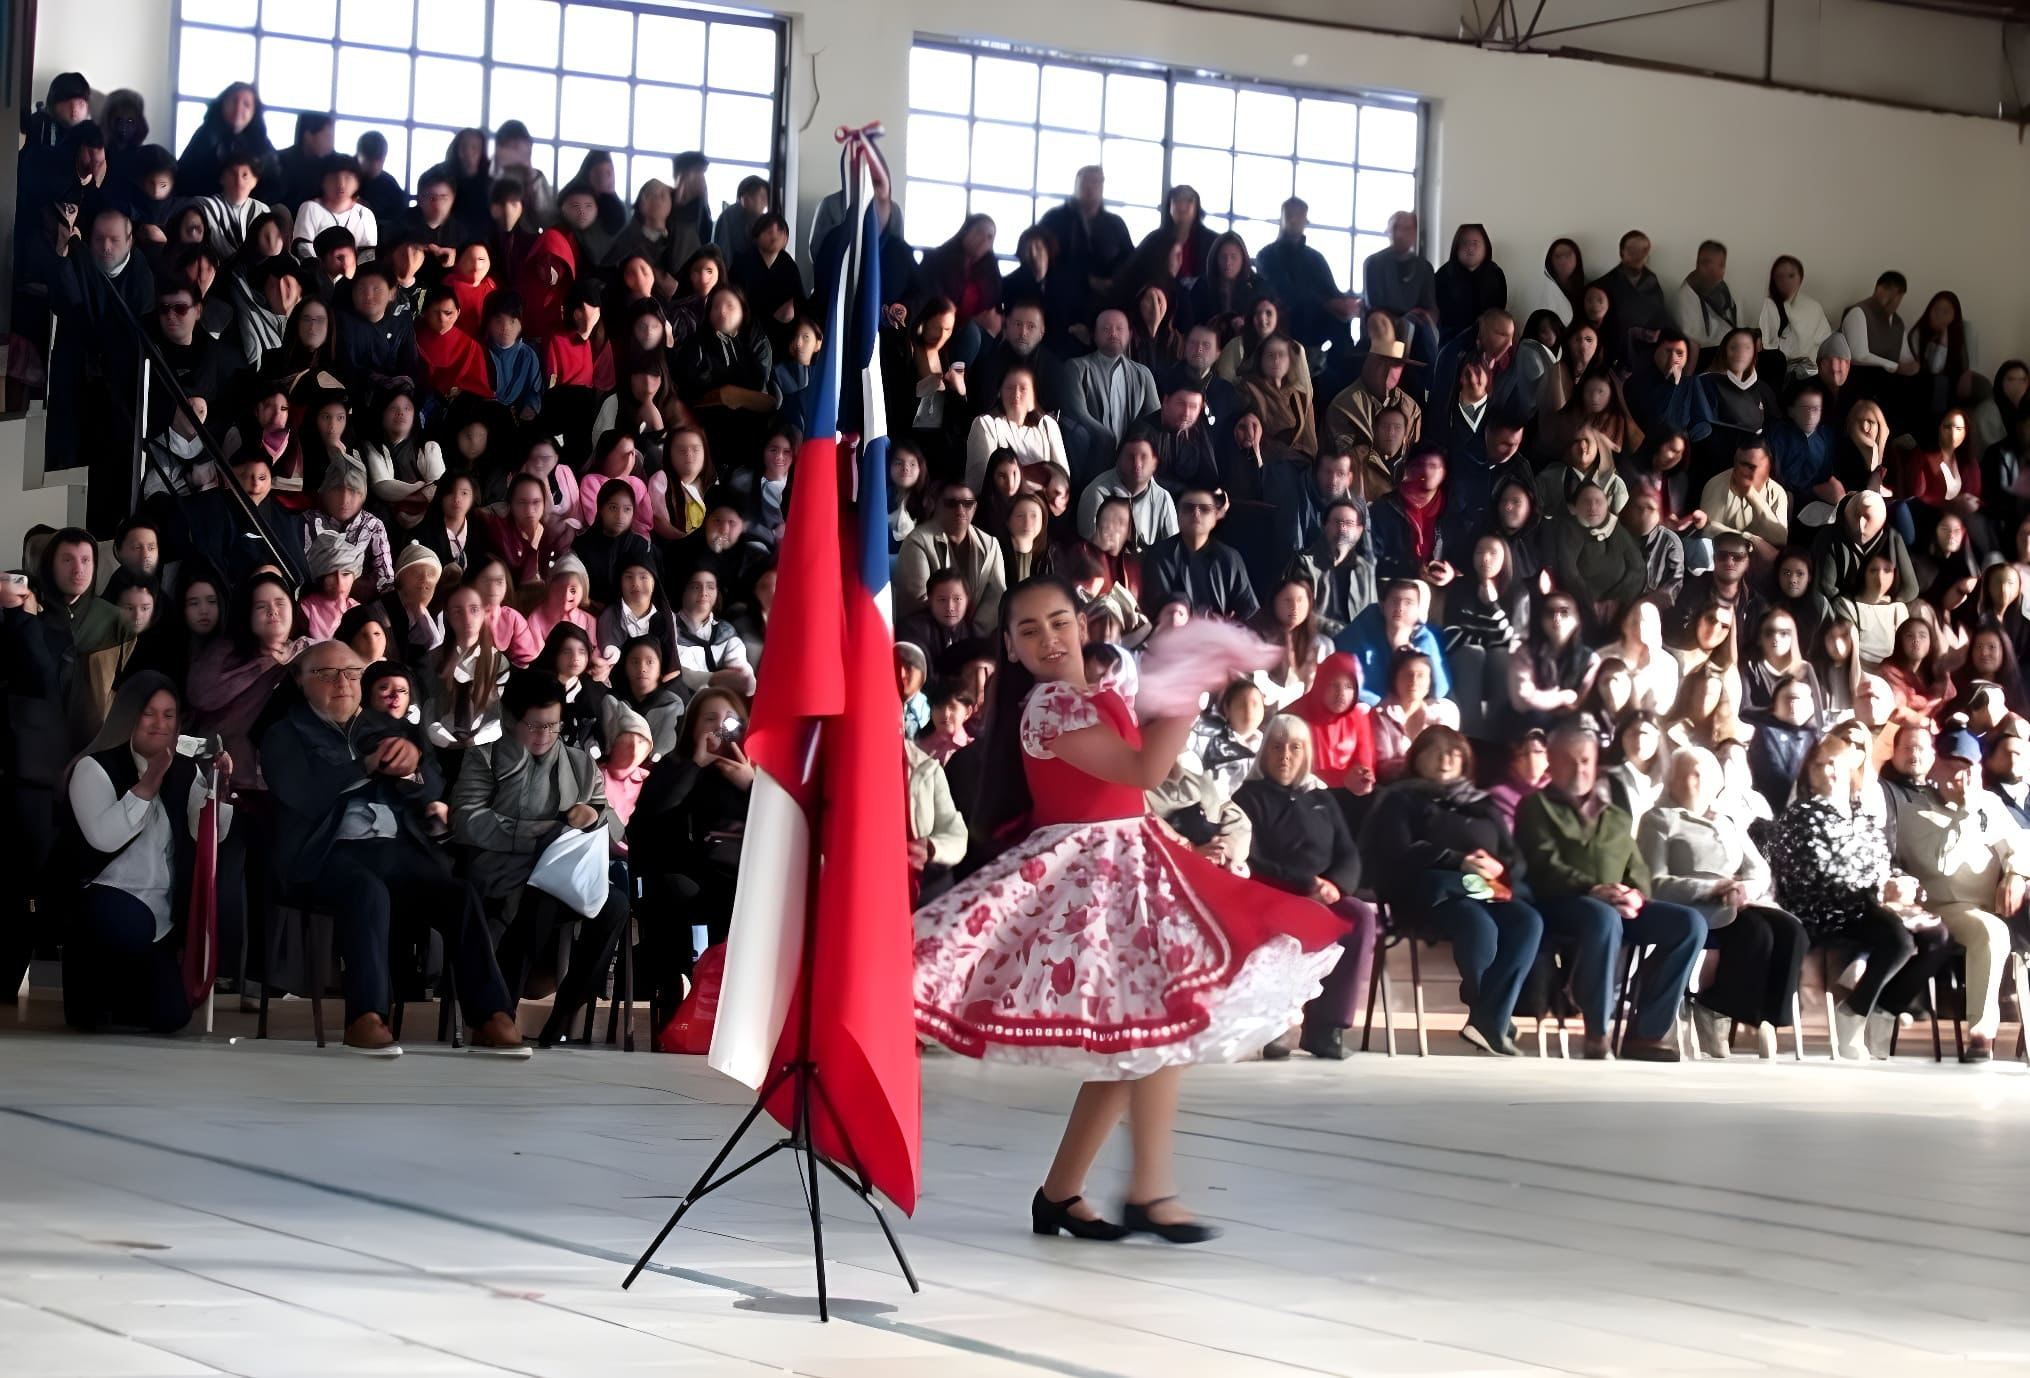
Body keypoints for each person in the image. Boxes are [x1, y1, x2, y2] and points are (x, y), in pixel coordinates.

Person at [913, 576, 1347, 1243]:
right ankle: (1143, 1191)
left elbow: (1146, 778)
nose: (1048, 638)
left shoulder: (1096, 695)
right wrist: (1190, 686)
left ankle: (1069, 1192)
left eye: (1059, 621)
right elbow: (1143, 771)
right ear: (1011, 647)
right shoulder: (1047, 707)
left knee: (1145, 1036)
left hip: (1132, 866)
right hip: (1094, 881)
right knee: (1154, 1030)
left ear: (1083, 625)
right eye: (1029, 630)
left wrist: (1181, 683)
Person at [261, 640, 525, 1055]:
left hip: (396, 850)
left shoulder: (389, 727)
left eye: (351, 673)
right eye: (326, 674)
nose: (342, 682)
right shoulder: (283, 734)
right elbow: (305, 794)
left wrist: (413, 770)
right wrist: (364, 766)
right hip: (325, 854)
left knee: (459, 895)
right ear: (300, 681)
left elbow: (433, 787)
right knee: (365, 889)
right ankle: (366, 1016)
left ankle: (492, 1015)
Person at [451, 669, 629, 1046]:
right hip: (505, 871)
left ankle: (564, 1014)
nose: (544, 735)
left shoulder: (580, 763)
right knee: (540, 899)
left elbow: (613, 824)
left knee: (615, 905)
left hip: (564, 873)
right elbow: (466, 820)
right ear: (510, 719)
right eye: (534, 725)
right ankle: (500, 1013)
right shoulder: (485, 758)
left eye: (553, 725)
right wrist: (538, 830)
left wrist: (594, 815)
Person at [1514, 719, 1708, 1061]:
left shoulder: (1615, 815)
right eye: (1569, 760)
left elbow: (1639, 870)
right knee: (1602, 917)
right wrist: (1594, 889)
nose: (1579, 768)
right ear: (1552, 762)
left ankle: (1646, 1032)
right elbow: (1544, 865)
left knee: (1689, 924)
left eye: (1585, 760)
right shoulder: (1535, 807)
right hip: (1560, 903)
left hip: (1616, 906)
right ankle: (1597, 1030)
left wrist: (1635, 895)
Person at [56, 674, 229, 1033]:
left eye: (168, 715)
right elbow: (103, 838)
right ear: (128, 716)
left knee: (173, 1017)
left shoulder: (186, 770)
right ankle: (93, 991)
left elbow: (207, 834)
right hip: (103, 899)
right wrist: (148, 784)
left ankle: (121, 1000)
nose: (159, 724)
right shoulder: (94, 767)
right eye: (149, 714)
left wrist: (219, 787)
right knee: (131, 924)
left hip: (158, 913)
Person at [1361, 727, 1545, 1055]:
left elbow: (1513, 857)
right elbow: (1395, 852)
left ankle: (1490, 1015)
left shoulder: (1482, 804)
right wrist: (1456, 860)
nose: (1445, 759)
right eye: (1435, 751)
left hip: (1483, 889)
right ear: (1417, 759)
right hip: (1427, 893)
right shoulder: (1399, 799)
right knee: (1478, 923)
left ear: (1465, 761)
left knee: (1528, 921)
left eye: (1454, 752)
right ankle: (1490, 1015)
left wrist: (1497, 867)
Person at [1766, 735, 1951, 1060]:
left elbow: (1883, 862)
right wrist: (1879, 892)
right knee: (1898, 940)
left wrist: (1903, 883)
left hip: (1869, 904)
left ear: (1849, 769)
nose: (1828, 771)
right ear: (1809, 773)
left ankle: (1880, 1009)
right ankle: (1853, 1015)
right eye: (1819, 765)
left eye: (1834, 764)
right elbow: (1810, 873)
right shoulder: (1801, 815)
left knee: (1938, 937)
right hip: (1824, 909)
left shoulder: (1861, 815)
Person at [1638, 746, 1808, 1059]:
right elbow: (1654, 883)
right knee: (1757, 933)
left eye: (1705, 775)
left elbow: (1759, 870)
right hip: (1690, 907)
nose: (1698, 781)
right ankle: (1715, 1006)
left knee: (1791, 930)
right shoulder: (1659, 820)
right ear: (1672, 780)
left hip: (1734, 903)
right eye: (1690, 774)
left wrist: (1744, 889)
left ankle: (1768, 1017)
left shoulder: (1726, 821)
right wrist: (1712, 888)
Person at [1232, 715, 1377, 1061]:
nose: (1285, 756)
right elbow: (1251, 858)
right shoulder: (1248, 797)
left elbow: (1348, 852)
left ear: (1306, 753)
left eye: (1294, 747)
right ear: (1264, 752)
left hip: (1323, 896)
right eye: (1276, 747)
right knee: (1289, 921)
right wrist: (1306, 885)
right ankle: (1275, 1026)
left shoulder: (1321, 799)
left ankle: (1326, 1029)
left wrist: (1336, 885)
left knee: (1358, 916)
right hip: (1273, 893)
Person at [1891, 731, 2027, 1063]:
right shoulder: (1912, 809)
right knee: (1991, 932)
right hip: (1943, 906)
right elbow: (1934, 865)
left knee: (2002, 925)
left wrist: (2016, 875)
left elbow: (2020, 847)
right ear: (1936, 767)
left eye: (1968, 768)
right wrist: (1965, 813)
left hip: (1992, 903)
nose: (1961, 777)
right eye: (1952, 767)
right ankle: (1982, 1034)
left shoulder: (1989, 804)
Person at [629, 688, 753, 1025]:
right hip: (682, 872)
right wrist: (695, 765)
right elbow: (648, 818)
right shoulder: (674, 766)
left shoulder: (752, 771)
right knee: (672, 895)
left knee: (748, 899)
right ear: (693, 726)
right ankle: (677, 995)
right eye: (709, 719)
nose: (718, 727)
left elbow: (777, 824)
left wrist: (750, 784)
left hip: (737, 874)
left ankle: (737, 1004)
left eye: (727, 720)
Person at [896, 481, 1007, 634]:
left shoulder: (990, 545)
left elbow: (996, 597)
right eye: (951, 503)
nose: (960, 510)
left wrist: (975, 633)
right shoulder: (917, 541)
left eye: (967, 504)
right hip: (928, 634)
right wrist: (956, 633)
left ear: (975, 507)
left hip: (978, 635)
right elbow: (917, 601)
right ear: (938, 506)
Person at [1036, 166, 1134, 325]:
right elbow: (1037, 256)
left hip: (1104, 308)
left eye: (1097, 182)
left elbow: (1130, 261)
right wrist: (1085, 280)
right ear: (1076, 185)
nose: (1091, 187)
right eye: (1086, 182)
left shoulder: (1115, 224)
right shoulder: (1053, 219)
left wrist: (1114, 281)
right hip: (1060, 305)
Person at [1140, 489, 1258, 621]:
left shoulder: (1230, 557)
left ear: (1216, 517)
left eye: (1205, 509)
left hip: (1222, 631)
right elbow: (1160, 612)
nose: (1196, 513)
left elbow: (1248, 612)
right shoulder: (1159, 554)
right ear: (1177, 514)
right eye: (1188, 508)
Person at [1062, 309, 1161, 459]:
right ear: (1094, 335)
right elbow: (1077, 413)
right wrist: (1106, 438)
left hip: (1133, 457)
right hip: (1091, 455)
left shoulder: (1143, 374)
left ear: (1129, 335)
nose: (1113, 334)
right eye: (1106, 329)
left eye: (1119, 329)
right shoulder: (1077, 368)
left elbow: (1154, 419)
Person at [1673, 240, 1738, 353]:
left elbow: (1731, 320)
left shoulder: (1720, 285)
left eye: (1723, 265)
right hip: (1708, 354)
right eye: (1720, 265)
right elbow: (1694, 344)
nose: (1723, 270)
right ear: (1703, 264)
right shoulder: (1686, 298)